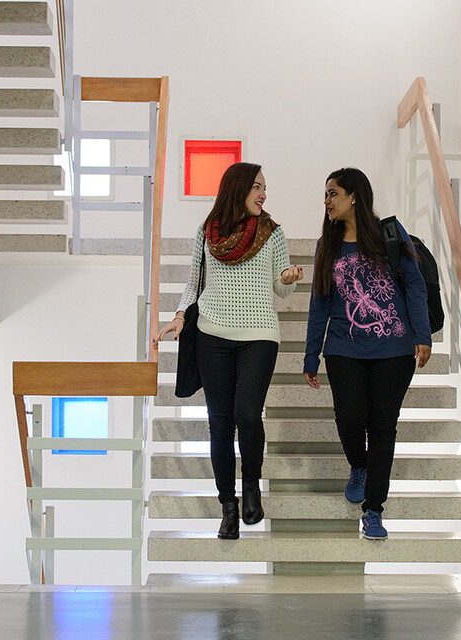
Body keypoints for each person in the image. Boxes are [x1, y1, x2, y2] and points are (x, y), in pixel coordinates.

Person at [155, 162, 303, 540]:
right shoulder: (207, 233)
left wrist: (286, 279)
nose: (263, 194)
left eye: (264, 188)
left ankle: (251, 486)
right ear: (237, 189)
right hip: (212, 336)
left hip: (259, 336)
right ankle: (228, 507)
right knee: (219, 424)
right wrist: (178, 317)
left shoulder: (273, 233)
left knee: (247, 415)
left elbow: (282, 286)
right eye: (256, 187)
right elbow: (194, 284)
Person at [303, 167, 431, 540]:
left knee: (382, 427)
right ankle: (358, 465)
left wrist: (422, 334)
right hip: (344, 348)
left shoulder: (390, 232)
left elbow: (414, 284)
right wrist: (312, 355)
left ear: (354, 196)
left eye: (333, 193)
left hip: (394, 348)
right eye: (325, 195)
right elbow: (319, 304)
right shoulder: (327, 245)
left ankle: (373, 509)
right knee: (348, 416)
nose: (327, 201)